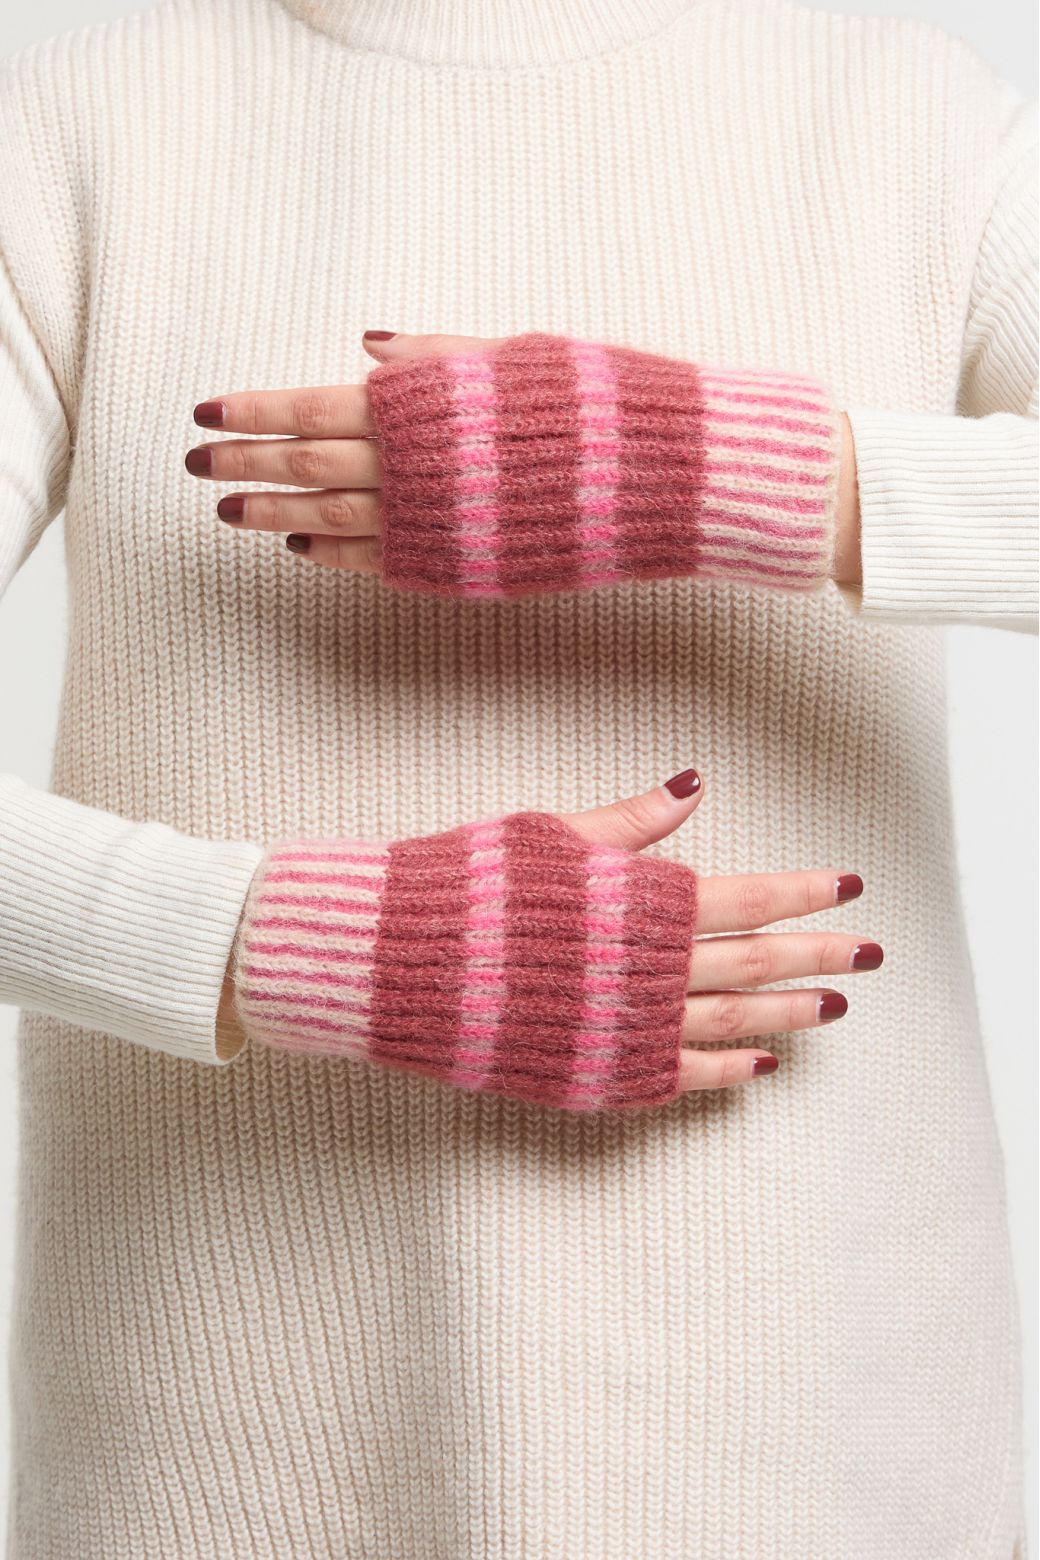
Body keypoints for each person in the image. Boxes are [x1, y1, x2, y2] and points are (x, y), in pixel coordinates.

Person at [0, 0, 1035, 1555]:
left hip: (823, 1404)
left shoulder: (915, 116)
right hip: (232, 1423)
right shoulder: (74, 129)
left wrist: (730, 472)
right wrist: (299, 942)